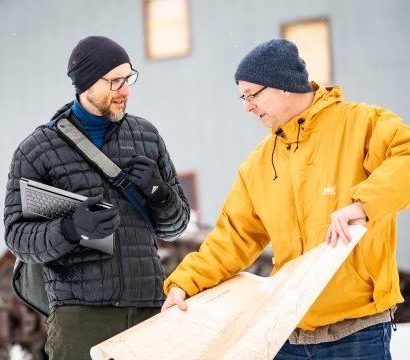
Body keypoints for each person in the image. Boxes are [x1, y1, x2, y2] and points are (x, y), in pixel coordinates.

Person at [162, 38, 410, 359]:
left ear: (284, 87)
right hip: (286, 334)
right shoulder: (260, 163)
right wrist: (185, 283)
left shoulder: (361, 125)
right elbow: (232, 238)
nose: (246, 106)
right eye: (243, 96)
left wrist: (364, 204)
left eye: (252, 94)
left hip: (357, 331)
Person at [3, 35, 190, 359]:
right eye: (115, 81)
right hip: (80, 317)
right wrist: (70, 229)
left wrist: (158, 191)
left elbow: (177, 225)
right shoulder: (37, 151)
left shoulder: (147, 137)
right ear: (86, 83)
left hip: (149, 309)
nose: (126, 90)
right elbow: (17, 237)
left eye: (128, 78)